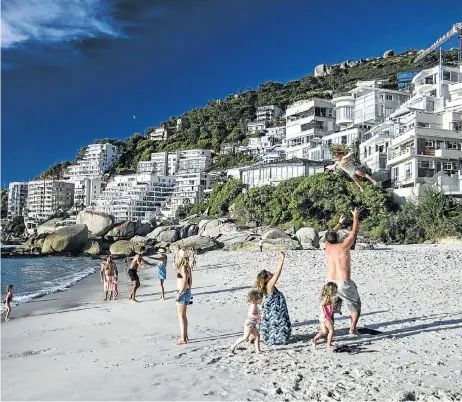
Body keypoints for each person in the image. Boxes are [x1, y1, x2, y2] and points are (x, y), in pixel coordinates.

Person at [324, 207, 362, 336]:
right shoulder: (343, 246)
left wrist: (339, 224)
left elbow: (330, 235)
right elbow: (354, 232)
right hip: (343, 281)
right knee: (355, 306)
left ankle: (331, 330)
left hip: (330, 281)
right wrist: (355, 217)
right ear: (338, 237)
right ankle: (353, 329)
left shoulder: (327, 246)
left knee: (331, 308)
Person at [256, 252, 291, 345]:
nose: (271, 273)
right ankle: (278, 339)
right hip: (275, 309)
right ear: (267, 278)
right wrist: (282, 259)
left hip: (275, 308)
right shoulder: (270, 285)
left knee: (273, 324)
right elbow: (278, 272)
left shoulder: (267, 286)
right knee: (279, 323)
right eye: (268, 273)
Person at [230, 289, 264, 355]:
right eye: (260, 299)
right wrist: (260, 316)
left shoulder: (255, 305)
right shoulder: (253, 305)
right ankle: (233, 345)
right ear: (256, 299)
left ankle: (258, 350)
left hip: (252, 324)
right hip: (249, 324)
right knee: (245, 337)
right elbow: (251, 315)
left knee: (257, 336)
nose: (262, 300)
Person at [311, 282, 338, 350]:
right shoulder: (326, 299)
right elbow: (322, 305)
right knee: (331, 330)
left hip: (323, 317)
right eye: (335, 290)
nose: (336, 291)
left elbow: (330, 308)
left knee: (324, 331)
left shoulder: (329, 298)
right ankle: (329, 344)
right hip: (325, 317)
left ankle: (314, 339)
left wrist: (336, 311)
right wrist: (326, 315)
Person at [175, 256, 193, 345]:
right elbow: (191, 281)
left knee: (181, 316)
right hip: (186, 291)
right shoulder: (188, 268)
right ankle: (185, 336)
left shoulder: (184, 268)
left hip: (183, 292)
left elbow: (185, 281)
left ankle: (183, 338)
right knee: (184, 316)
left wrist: (179, 294)